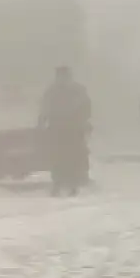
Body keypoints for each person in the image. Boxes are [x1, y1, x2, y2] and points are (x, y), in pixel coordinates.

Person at [37, 66, 92, 196]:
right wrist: (41, 123)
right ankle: (59, 183)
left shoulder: (76, 90)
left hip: (72, 129)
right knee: (59, 157)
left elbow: (86, 108)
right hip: (59, 129)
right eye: (60, 76)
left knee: (72, 156)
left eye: (64, 76)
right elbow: (45, 108)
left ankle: (72, 183)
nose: (62, 79)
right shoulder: (54, 91)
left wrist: (83, 121)